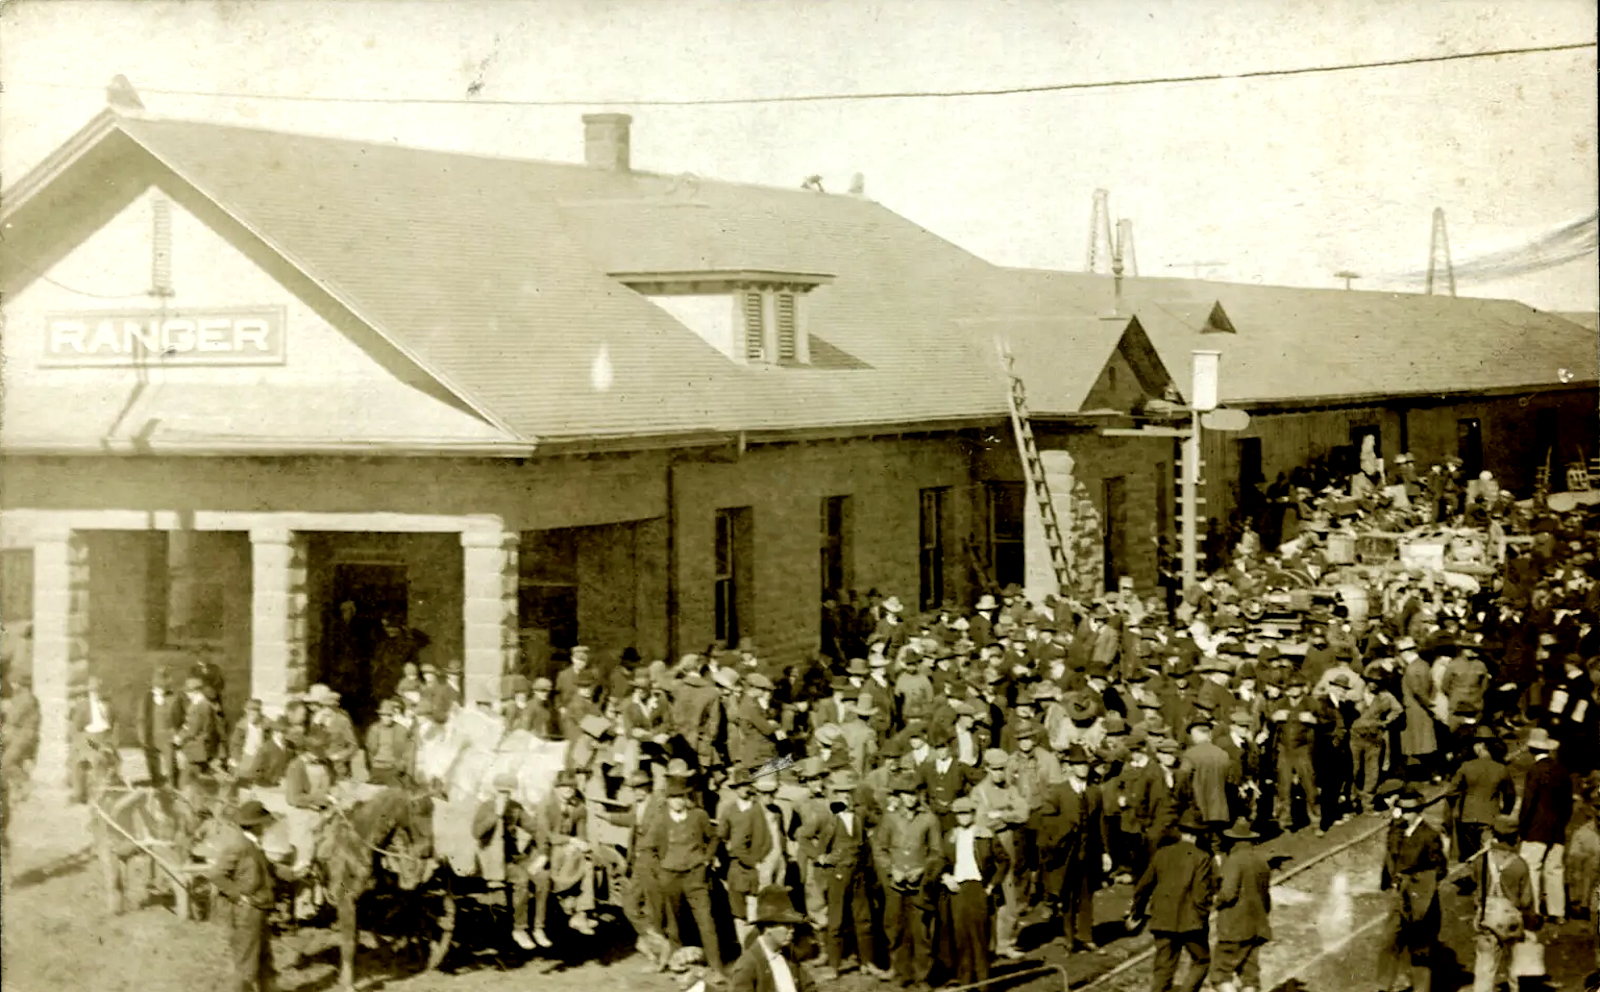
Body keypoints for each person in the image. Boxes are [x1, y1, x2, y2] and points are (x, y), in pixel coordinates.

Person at [644, 772, 724, 979]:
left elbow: (714, 838)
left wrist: (706, 859)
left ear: (687, 797)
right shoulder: (660, 820)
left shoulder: (699, 816)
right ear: (668, 799)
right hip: (670, 877)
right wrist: (660, 871)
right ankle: (678, 965)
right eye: (674, 797)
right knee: (674, 924)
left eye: (681, 796)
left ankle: (717, 969)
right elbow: (648, 848)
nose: (678, 801)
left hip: (695, 876)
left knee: (706, 921)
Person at [1127, 809, 1216, 992]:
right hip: (1191, 922)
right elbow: (1200, 894)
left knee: (1163, 969)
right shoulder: (1202, 857)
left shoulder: (1162, 853)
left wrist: (1137, 912)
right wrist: (1203, 918)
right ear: (1198, 835)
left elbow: (1143, 887)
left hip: (1163, 919)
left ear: (1181, 831)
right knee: (1202, 961)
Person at [1376, 786, 1446, 992]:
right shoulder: (1396, 831)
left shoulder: (1429, 836)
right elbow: (1391, 855)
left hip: (1419, 900)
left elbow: (1440, 868)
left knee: (1421, 949)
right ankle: (1383, 986)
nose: (1404, 815)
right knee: (1389, 941)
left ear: (1419, 812)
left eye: (1408, 811)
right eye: (1402, 811)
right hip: (1398, 897)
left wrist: (1417, 882)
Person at [939, 795, 1009, 987]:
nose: (963, 817)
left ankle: (984, 982)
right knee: (960, 937)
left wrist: (992, 885)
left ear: (973, 814)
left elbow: (1004, 861)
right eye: (959, 814)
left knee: (979, 936)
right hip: (957, 891)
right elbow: (942, 862)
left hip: (978, 889)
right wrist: (945, 877)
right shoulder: (950, 837)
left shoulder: (985, 835)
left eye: (966, 813)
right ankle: (965, 981)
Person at [210, 799, 278, 992]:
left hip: (259, 909)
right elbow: (216, 875)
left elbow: (268, 869)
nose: (266, 827)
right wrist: (239, 896)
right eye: (264, 823)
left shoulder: (254, 844)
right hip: (246, 912)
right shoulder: (239, 846)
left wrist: (296, 873)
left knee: (264, 958)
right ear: (255, 825)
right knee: (247, 964)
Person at [1471, 814, 1536, 992]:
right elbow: (1526, 900)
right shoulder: (1520, 865)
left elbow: (1477, 888)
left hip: (1488, 919)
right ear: (1515, 837)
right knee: (1515, 966)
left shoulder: (1481, 860)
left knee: (1485, 968)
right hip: (1512, 922)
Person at [1517, 728, 1572, 924]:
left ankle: (1534, 910)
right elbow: (1568, 804)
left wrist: (1522, 827)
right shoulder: (1561, 770)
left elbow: (1528, 803)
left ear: (1531, 749)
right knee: (1555, 869)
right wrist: (1562, 823)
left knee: (1531, 868)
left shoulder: (1534, 772)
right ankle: (1557, 912)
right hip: (1557, 828)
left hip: (1536, 828)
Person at [1212, 818, 1272, 992]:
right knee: (1249, 976)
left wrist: (1216, 901)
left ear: (1233, 840)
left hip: (1234, 927)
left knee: (1220, 975)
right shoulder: (1262, 862)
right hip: (1256, 927)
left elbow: (1228, 893)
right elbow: (1266, 898)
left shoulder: (1234, 860)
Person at [729, 885, 816, 992]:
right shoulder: (748, 965)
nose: (792, 929)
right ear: (768, 927)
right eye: (786, 925)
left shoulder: (788, 954)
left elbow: (809, 987)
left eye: (792, 925)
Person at [138, 667, 185, 788]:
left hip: (168, 735)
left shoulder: (174, 698)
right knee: (153, 765)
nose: (160, 687)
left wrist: (177, 734)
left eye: (163, 683)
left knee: (171, 765)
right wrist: (142, 737)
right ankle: (157, 787)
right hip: (151, 735)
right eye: (157, 684)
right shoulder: (146, 698)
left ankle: (174, 787)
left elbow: (180, 717)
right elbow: (141, 719)